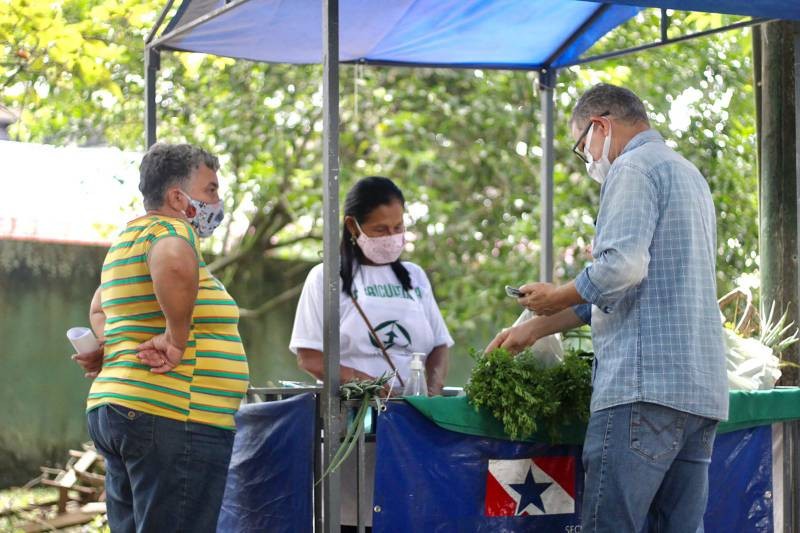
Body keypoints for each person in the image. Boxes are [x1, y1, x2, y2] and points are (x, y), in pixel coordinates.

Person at [487, 84, 727, 532]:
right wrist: (534, 328)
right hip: (698, 394)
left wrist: (556, 294)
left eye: (583, 148)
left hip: (641, 392)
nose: (589, 161)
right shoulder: (686, 172)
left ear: (600, 127)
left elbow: (620, 269)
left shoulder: (632, 167)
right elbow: (629, 290)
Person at [71, 143, 249, 533]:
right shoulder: (172, 232)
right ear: (177, 198)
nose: (217, 202)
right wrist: (176, 340)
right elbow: (172, 262)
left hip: (122, 410)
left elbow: (99, 306)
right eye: (210, 190)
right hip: (174, 415)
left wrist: (110, 345)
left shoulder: (128, 240)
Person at [290, 176, 452, 395]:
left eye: (398, 227)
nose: (392, 237)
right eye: (380, 229)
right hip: (352, 408)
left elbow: (440, 345)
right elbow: (310, 358)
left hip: (412, 407)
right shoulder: (326, 278)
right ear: (352, 226)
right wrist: (365, 383)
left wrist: (432, 391)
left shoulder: (415, 276)